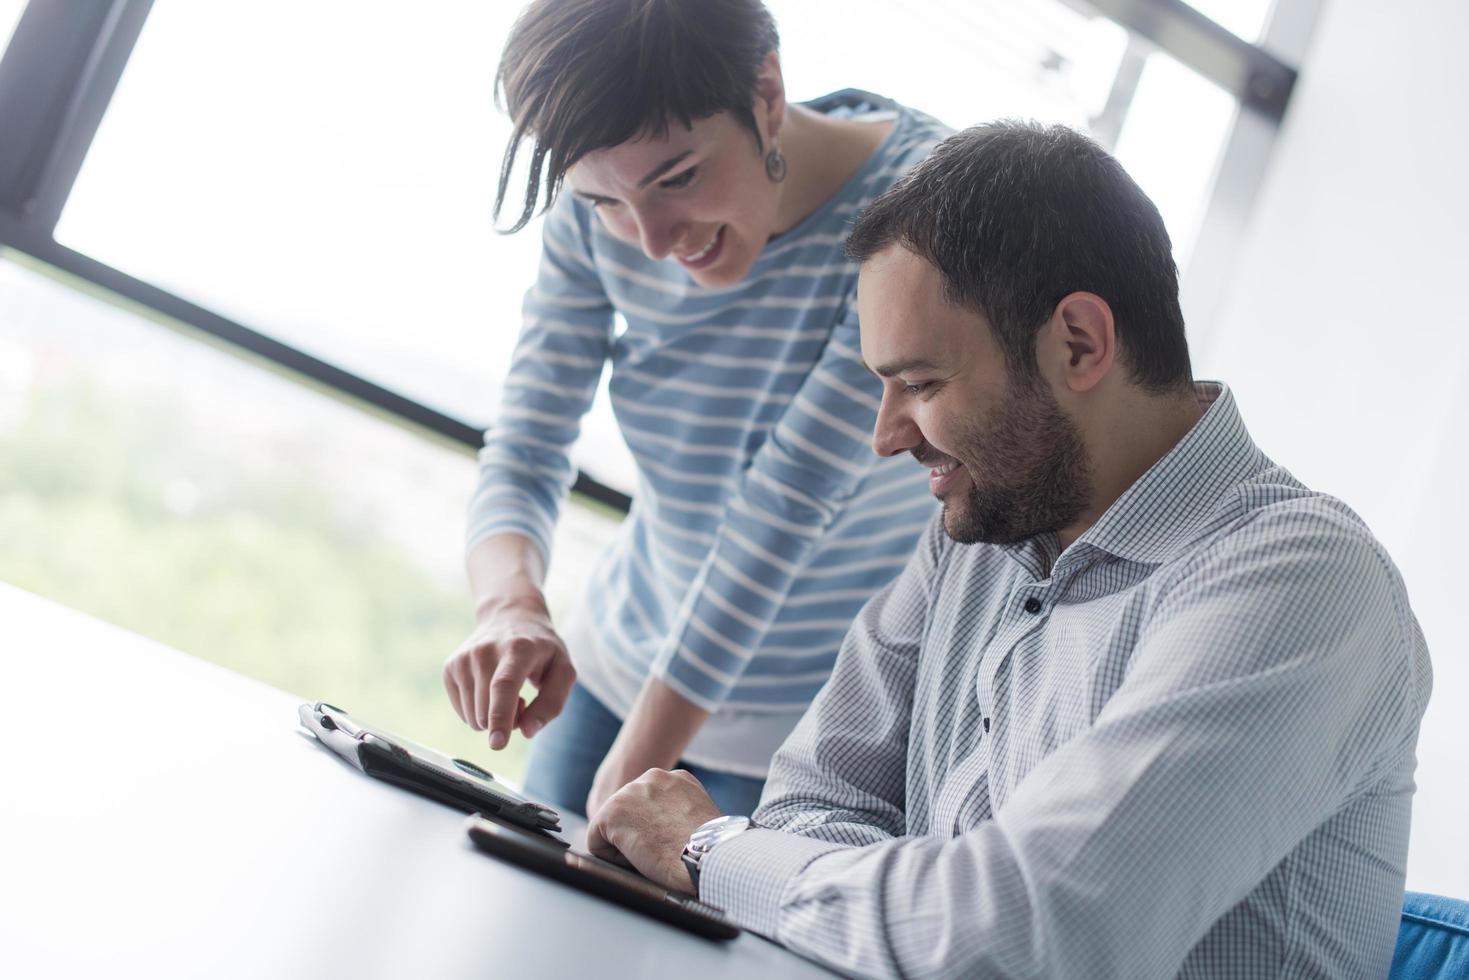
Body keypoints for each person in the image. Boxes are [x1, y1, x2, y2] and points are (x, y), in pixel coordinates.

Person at [585, 122, 1433, 978]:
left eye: (918, 384)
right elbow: (811, 802)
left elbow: (1015, 940)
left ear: (1078, 343)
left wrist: (714, 851)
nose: (884, 437)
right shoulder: (980, 530)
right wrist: (923, 903)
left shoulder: (1300, 584)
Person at [442, 0, 949, 819]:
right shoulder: (599, 201)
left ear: (767, 90)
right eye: (605, 201)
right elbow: (529, 440)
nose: (650, 240)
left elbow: (783, 508)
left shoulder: (918, 212)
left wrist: (631, 772)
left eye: (676, 179)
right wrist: (508, 605)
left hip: (804, 738)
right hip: (617, 670)